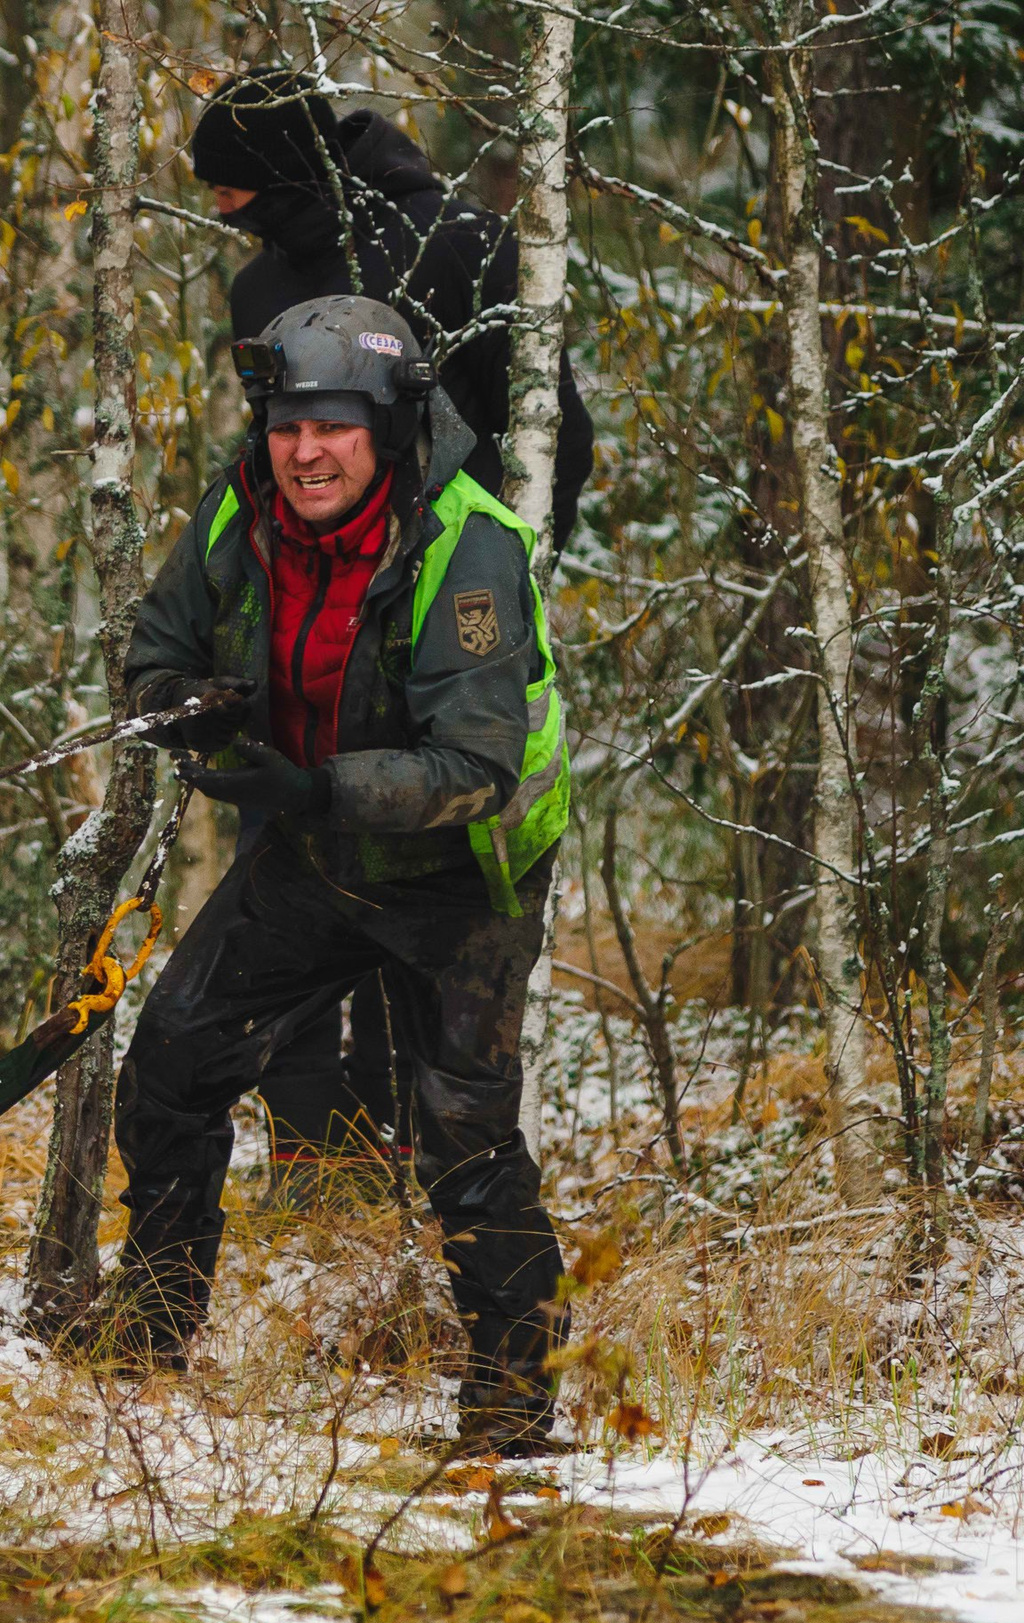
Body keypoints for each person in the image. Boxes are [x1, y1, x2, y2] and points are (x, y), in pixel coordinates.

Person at [113, 295, 573, 1453]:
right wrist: (179, 705)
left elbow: (476, 763)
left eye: (334, 424)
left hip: (464, 872)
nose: (304, 450)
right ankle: (149, 1339)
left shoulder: (466, 543)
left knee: (461, 1130)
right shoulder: (240, 506)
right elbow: (155, 645)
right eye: (284, 422)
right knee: (172, 1059)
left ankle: (512, 1404)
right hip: (314, 848)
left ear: (390, 425)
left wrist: (309, 787)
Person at [190, 65, 598, 1206]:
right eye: (213, 200)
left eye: (237, 192)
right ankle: (325, 1169)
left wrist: (494, 566)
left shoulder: (458, 242)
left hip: (445, 619)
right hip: (299, 624)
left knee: (434, 872)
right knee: (297, 862)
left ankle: (444, 1165)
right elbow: (276, 460)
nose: (226, 217)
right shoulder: (258, 285)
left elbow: (553, 423)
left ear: (282, 177)